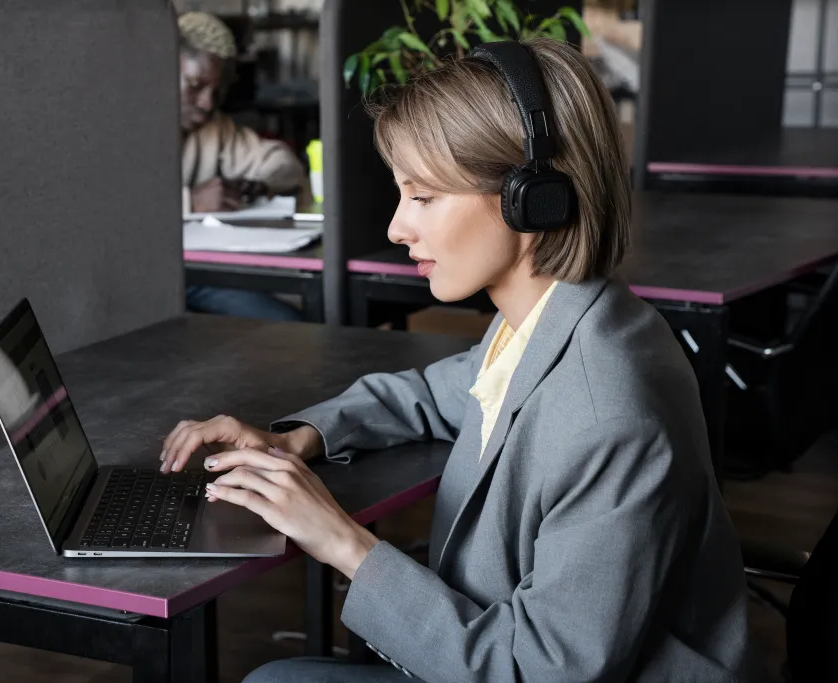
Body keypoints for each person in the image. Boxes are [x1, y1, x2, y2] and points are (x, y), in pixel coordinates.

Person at [160, 38, 758, 683]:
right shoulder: (560, 320)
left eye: (423, 197)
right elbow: (439, 391)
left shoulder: (606, 413)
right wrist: (299, 436)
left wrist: (343, 544)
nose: (396, 228)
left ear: (533, 197)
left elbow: (540, 671)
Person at [178, 11, 305, 322]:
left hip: (194, 272)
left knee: (295, 322)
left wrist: (261, 182)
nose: (207, 102)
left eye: (216, 91)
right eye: (196, 86)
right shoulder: (119, 128)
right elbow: (106, 211)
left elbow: (284, 163)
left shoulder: (215, 128)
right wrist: (190, 202)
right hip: (139, 276)